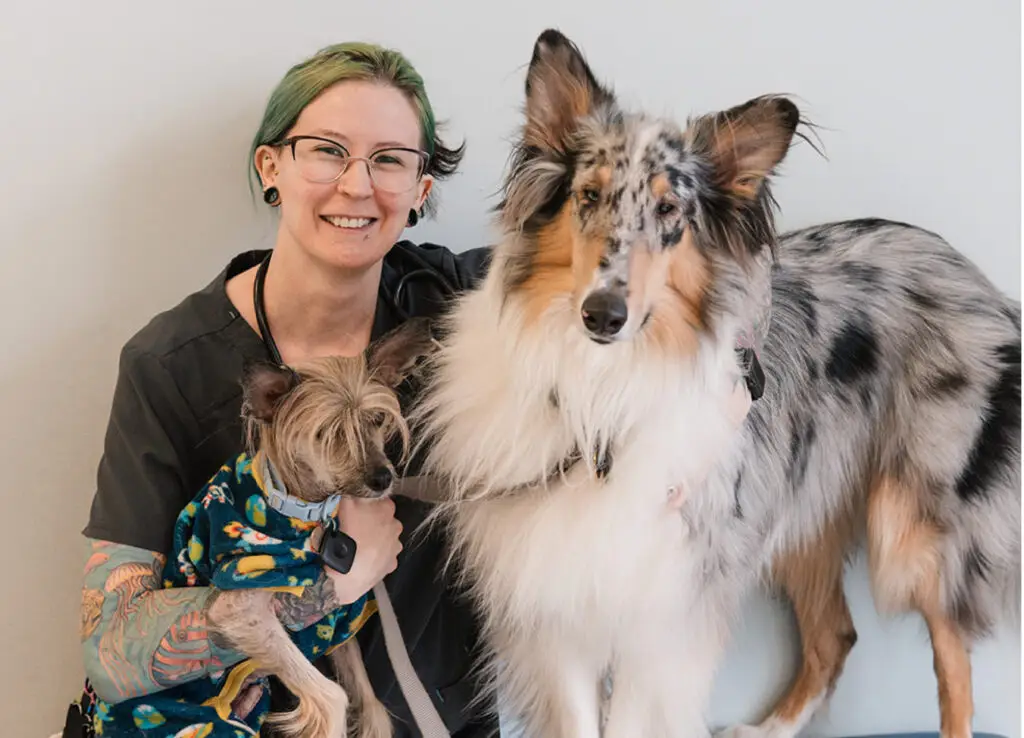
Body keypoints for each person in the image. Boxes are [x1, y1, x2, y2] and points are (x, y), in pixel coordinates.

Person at [65, 40, 496, 738]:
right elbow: (110, 652)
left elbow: (659, 260)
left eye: (389, 159)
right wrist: (330, 587)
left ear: (421, 191)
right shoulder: (170, 363)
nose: (358, 185)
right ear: (273, 167)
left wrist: (736, 379)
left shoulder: (457, 305)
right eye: (327, 149)